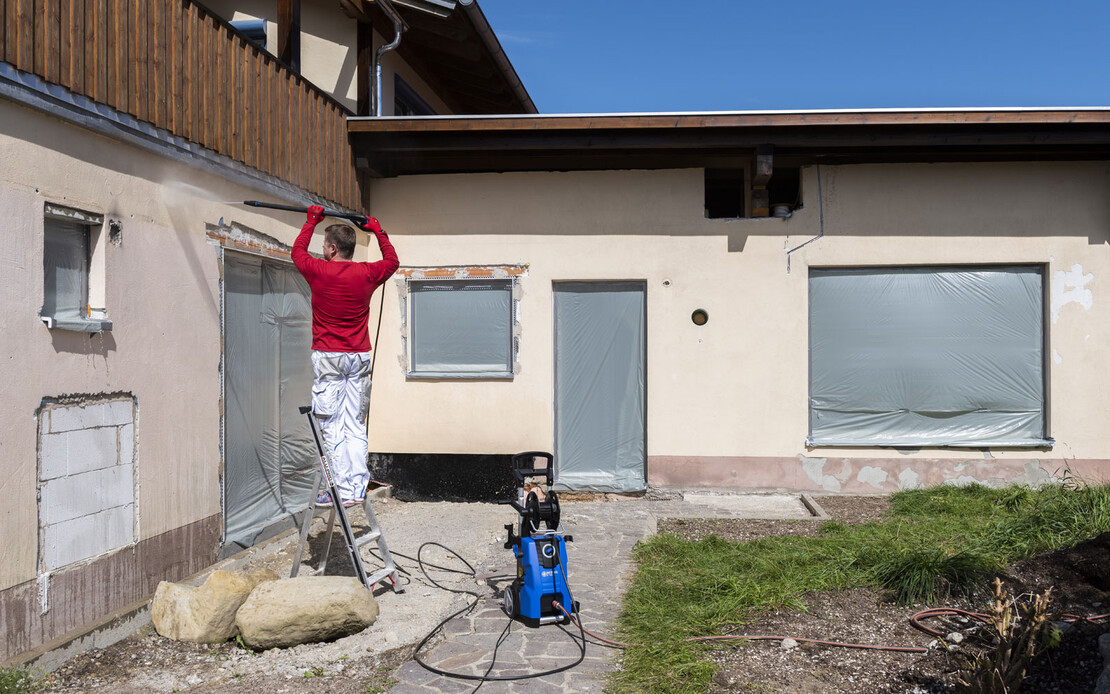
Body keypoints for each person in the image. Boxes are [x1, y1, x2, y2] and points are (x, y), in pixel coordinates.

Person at [291, 205, 399, 507]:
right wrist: (377, 229)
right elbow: (392, 261)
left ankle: (337, 490)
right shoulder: (367, 273)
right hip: (359, 356)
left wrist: (311, 220)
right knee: (353, 422)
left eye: (324, 244)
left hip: (329, 357)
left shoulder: (319, 270)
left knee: (332, 424)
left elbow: (297, 252)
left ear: (332, 248)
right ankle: (355, 487)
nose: (321, 249)